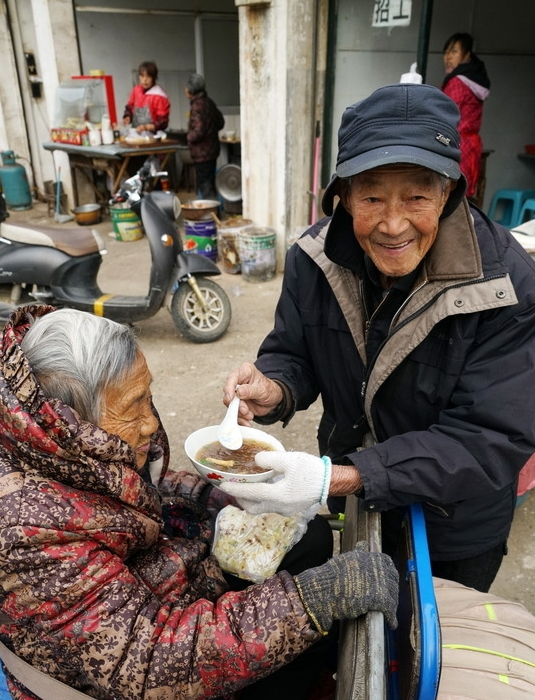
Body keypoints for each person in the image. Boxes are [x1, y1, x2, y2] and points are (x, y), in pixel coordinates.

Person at [0, 304, 398, 700]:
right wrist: (313, 601)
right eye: (133, 405)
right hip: (107, 684)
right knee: (306, 595)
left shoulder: (45, 430)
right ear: (71, 418)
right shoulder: (22, 529)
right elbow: (149, 663)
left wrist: (225, 499)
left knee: (304, 538)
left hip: (140, 586)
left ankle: (279, 679)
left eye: (147, 397)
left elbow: (139, 491)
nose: (150, 424)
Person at [219, 83, 535, 595]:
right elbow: (293, 350)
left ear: (450, 192)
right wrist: (274, 386)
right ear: (342, 196)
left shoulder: (507, 287)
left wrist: (340, 477)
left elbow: (487, 439)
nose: (393, 224)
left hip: (453, 526)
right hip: (357, 503)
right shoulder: (313, 259)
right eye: (371, 197)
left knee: (428, 653)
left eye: (417, 196)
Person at [441, 33, 490, 201]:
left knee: (451, 198)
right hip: (470, 146)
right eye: (446, 51)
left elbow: (444, 114)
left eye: (454, 51)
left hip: (457, 146)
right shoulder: (474, 80)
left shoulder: (457, 82)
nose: (448, 57)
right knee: (463, 198)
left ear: (467, 54)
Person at [185, 72, 225, 199]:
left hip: (202, 153)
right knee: (210, 184)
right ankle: (214, 213)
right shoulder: (209, 102)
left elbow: (198, 131)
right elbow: (220, 122)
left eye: (186, 87)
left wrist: (187, 138)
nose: (185, 89)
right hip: (212, 150)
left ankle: (211, 215)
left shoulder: (197, 106)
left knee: (206, 187)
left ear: (191, 90)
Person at [122, 60, 170, 135]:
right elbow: (130, 106)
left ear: (154, 78)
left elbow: (163, 122)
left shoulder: (159, 96)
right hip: (135, 132)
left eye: (148, 76)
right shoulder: (136, 90)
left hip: (153, 135)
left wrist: (146, 127)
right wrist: (128, 116)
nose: (145, 80)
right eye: (142, 76)